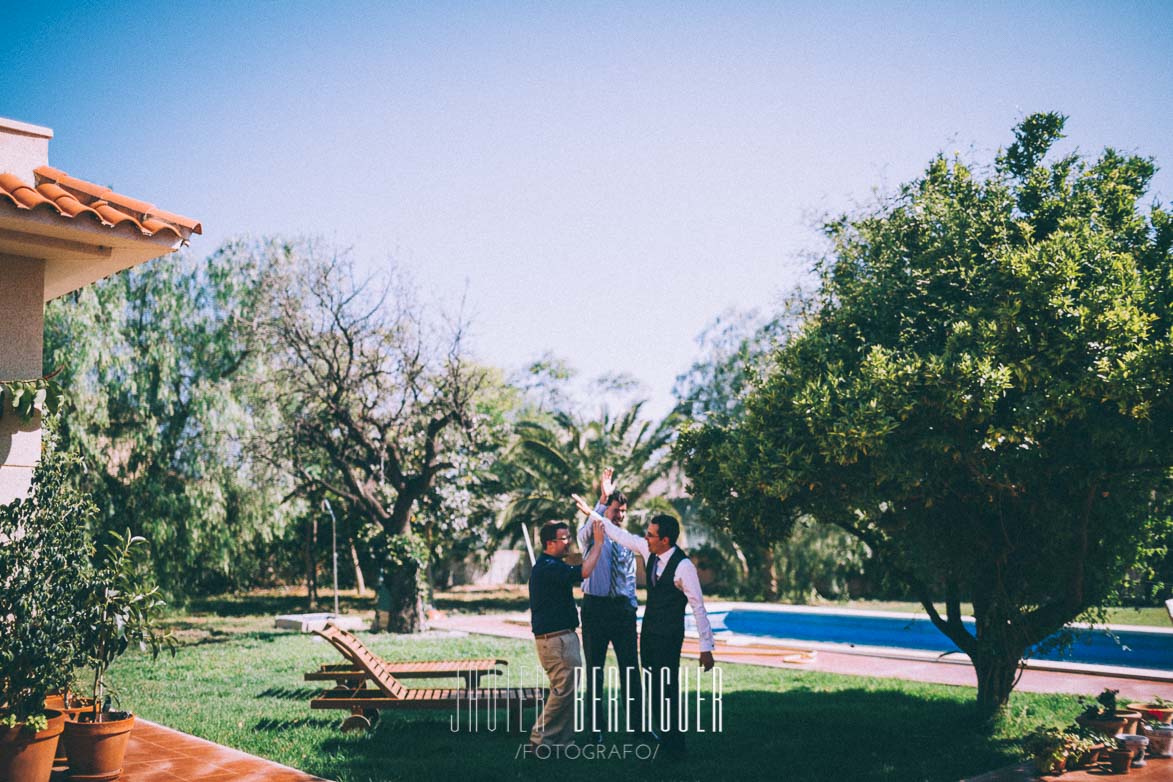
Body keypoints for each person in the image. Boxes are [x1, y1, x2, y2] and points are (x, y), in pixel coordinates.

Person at [572, 496, 715, 757]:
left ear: (665, 541)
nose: (645, 538)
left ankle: (672, 741)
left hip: (668, 636)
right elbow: (615, 532)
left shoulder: (684, 567)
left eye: (651, 535)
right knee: (652, 687)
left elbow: (698, 607)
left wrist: (706, 647)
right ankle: (660, 737)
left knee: (666, 687)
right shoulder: (650, 550)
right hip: (646, 633)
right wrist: (593, 511)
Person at [576, 467, 641, 738]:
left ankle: (638, 727)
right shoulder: (593, 536)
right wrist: (602, 501)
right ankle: (596, 729)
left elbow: (630, 577)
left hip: (623, 610)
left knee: (630, 670)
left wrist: (632, 604)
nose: (621, 516)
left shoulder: (627, 540)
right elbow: (586, 529)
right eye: (616, 510)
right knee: (595, 670)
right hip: (596, 609)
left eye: (623, 511)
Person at [528, 518, 604, 750]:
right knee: (562, 693)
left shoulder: (552, 566)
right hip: (556, 641)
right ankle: (539, 740)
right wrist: (598, 544)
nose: (568, 542)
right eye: (564, 538)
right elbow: (585, 571)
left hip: (562, 638)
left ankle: (560, 742)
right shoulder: (548, 568)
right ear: (550, 543)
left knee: (567, 692)